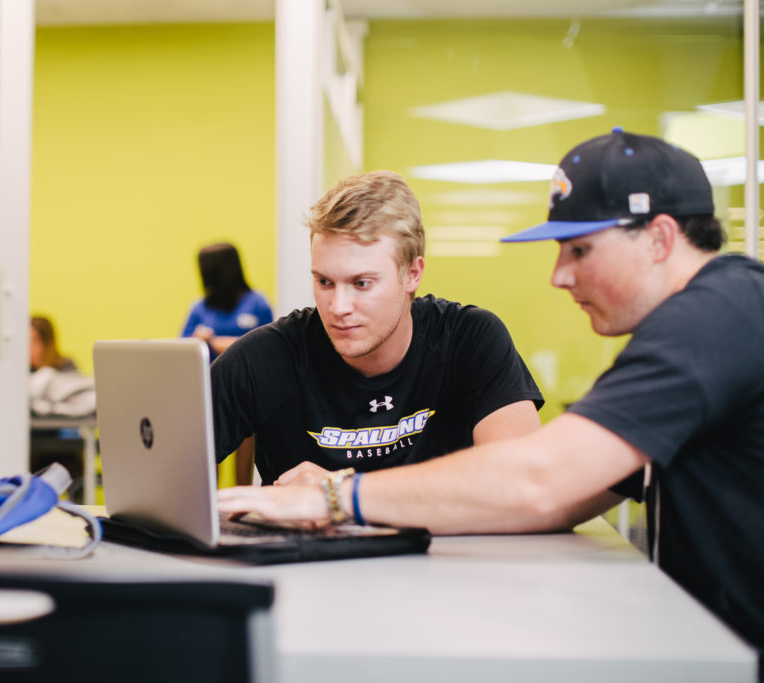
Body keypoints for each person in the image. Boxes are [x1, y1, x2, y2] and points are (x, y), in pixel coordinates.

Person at [218, 130, 764, 673]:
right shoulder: (712, 318)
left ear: (660, 239)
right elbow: (570, 487)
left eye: (579, 250)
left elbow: (540, 480)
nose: (559, 275)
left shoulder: (713, 319)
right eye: (323, 282)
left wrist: (337, 498)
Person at [212, 170, 544, 486]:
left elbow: (525, 483)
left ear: (412, 274)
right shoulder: (267, 358)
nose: (338, 307)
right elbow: (164, 473)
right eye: (324, 281)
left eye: (362, 283)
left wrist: (341, 492)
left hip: (441, 545)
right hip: (302, 546)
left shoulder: (470, 340)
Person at [181, 242, 273, 361]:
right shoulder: (200, 308)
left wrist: (220, 343)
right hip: (209, 376)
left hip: (246, 377)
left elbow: (267, 348)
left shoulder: (258, 304)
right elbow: (182, 349)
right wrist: (197, 340)